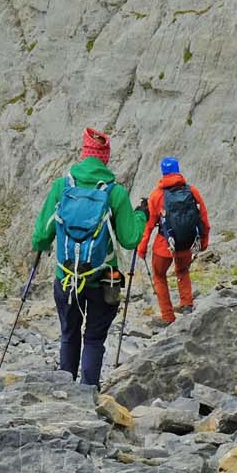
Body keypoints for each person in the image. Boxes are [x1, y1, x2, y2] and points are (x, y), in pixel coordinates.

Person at [30, 128, 146, 385]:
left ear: (83, 154)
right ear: (105, 158)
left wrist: (45, 244)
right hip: (104, 280)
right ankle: (89, 393)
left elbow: (40, 237)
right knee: (93, 339)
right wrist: (141, 215)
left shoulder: (62, 186)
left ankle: (65, 391)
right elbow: (130, 239)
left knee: (69, 334)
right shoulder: (115, 193)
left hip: (66, 276)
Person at [138, 155, 210, 324]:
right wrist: (204, 242)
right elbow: (203, 218)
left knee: (159, 276)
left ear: (163, 173)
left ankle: (168, 316)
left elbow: (149, 225)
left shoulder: (156, 195)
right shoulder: (192, 191)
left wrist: (142, 247)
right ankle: (186, 304)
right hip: (187, 243)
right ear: (177, 170)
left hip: (165, 247)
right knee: (182, 271)